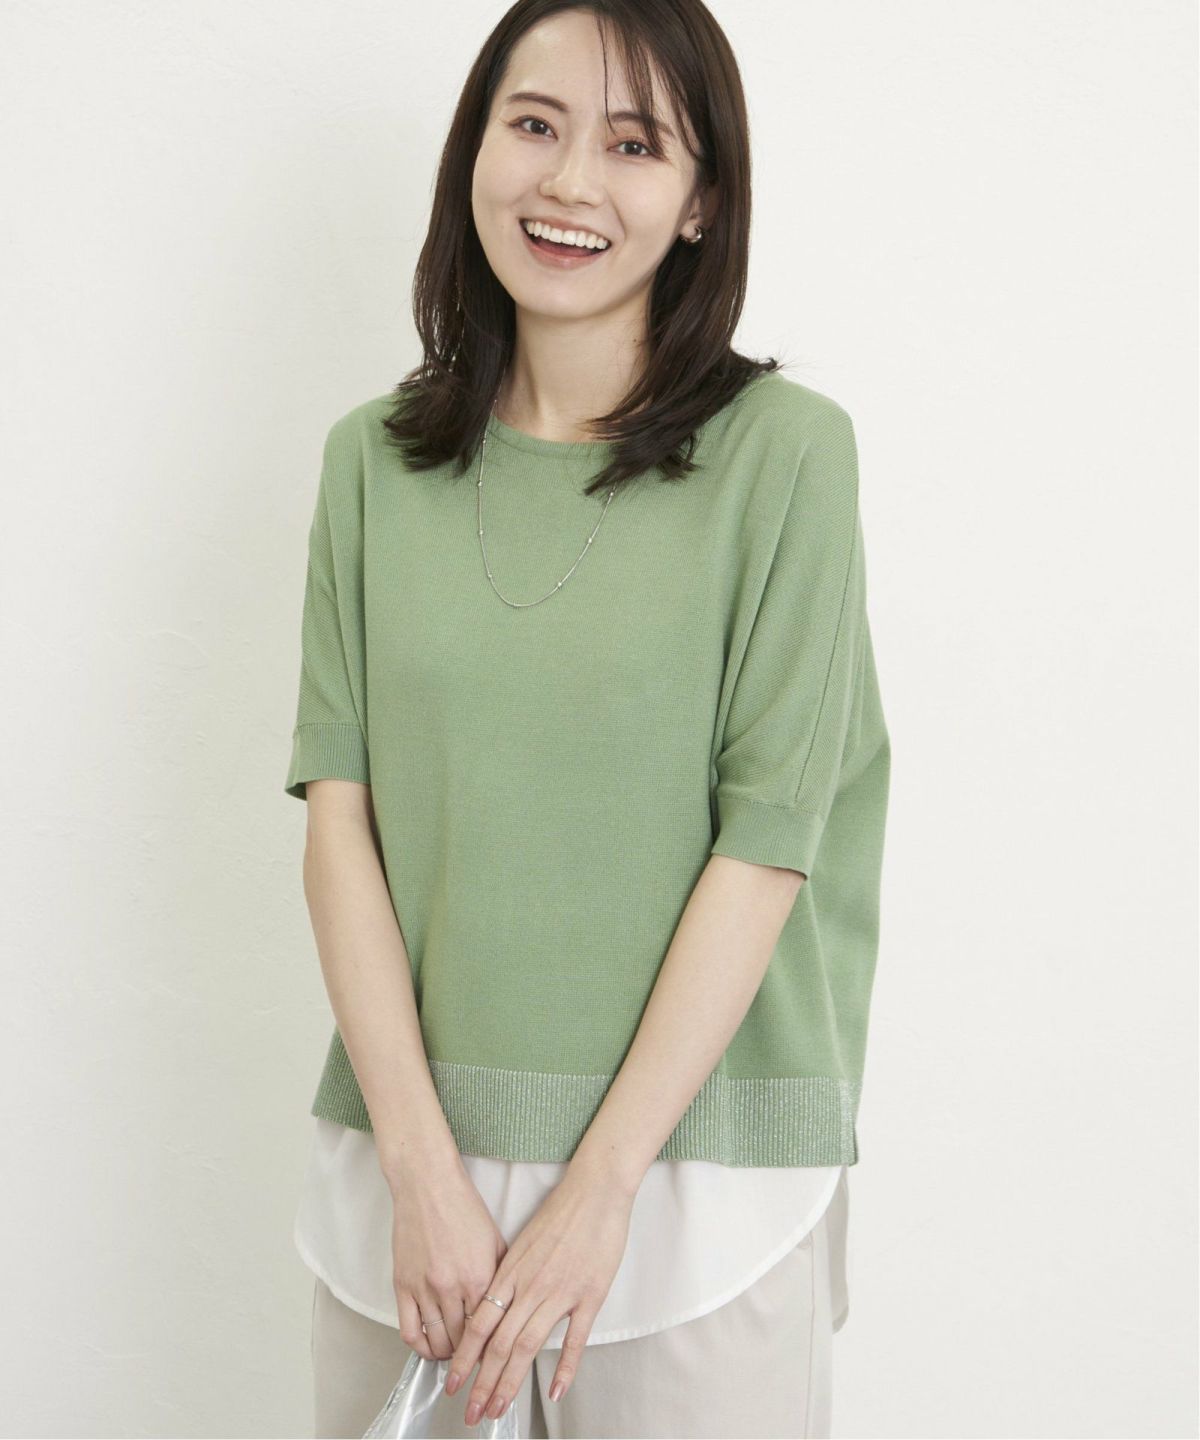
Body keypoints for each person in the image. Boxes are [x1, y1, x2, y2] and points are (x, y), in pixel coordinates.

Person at [283, 2, 890, 1436]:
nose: (569, 183)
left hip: (696, 1184)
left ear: (701, 202)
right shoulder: (371, 464)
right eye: (535, 125)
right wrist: (423, 1173)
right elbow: (339, 827)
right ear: (474, 150)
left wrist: (600, 1189)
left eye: (633, 145)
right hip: (414, 1190)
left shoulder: (787, 459)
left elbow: (768, 844)